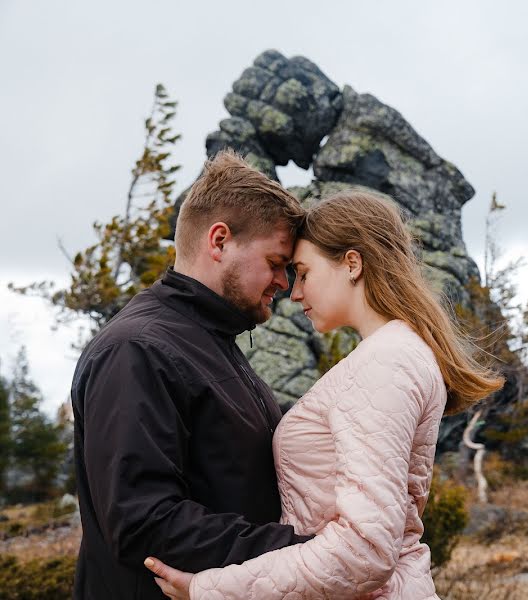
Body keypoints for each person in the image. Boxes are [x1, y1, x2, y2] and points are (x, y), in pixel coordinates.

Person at [144, 190, 504, 599]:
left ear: (352, 264)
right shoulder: (392, 354)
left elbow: (364, 550)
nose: (294, 292)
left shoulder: (386, 362)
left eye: (303, 272)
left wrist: (209, 589)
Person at [71, 150, 311, 599]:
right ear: (218, 241)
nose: (285, 283)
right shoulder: (137, 350)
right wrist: (305, 552)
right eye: (277, 262)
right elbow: (143, 521)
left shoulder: (211, 342)